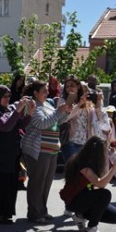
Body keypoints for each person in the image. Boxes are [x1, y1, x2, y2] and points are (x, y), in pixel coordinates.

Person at [21, 80, 70, 223]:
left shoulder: (48, 105)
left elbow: (57, 121)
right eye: (44, 91)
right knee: (37, 181)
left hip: (52, 149)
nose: (47, 93)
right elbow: (41, 124)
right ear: (35, 93)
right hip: (38, 149)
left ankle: (42, 210)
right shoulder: (32, 106)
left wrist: (65, 113)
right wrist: (58, 112)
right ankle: (34, 213)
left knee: (46, 182)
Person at [0, 85, 34, 224]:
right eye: (4, 96)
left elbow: (20, 125)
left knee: (10, 184)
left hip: (11, 153)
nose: (7, 99)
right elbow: (5, 126)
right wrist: (17, 110)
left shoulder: (9, 109)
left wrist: (29, 113)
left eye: (9, 97)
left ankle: (6, 213)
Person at [59, 136, 116, 232]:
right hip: (74, 201)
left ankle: (80, 216)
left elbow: (101, 179)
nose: (107, 151)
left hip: (84, 196)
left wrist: (111, 160)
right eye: (105, 149)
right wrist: (115, 167)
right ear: (98, 152)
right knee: (105, 194)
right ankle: (91, 229)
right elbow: (101, 184)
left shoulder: (92, 162)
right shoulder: (83, 164)